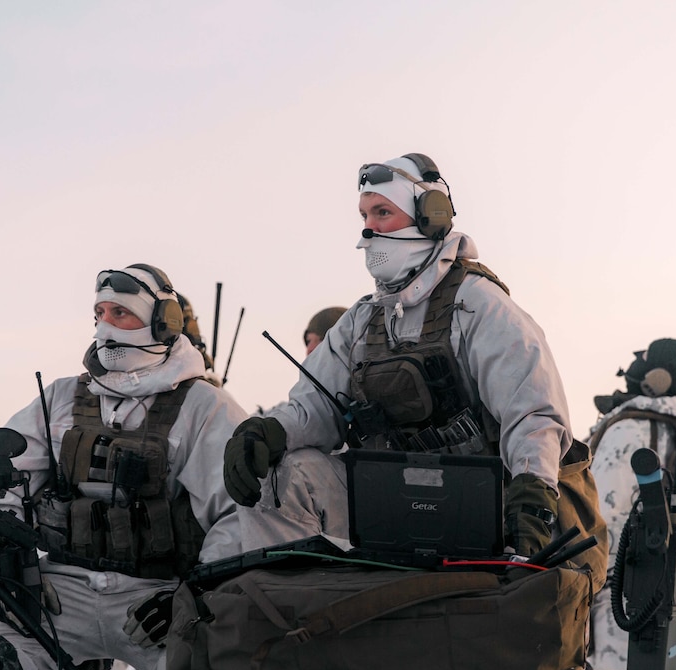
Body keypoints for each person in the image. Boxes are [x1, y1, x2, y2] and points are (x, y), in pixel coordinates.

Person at [0, 264, 339, 670]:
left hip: (157, 601)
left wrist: (193, 597)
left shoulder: (205, 406)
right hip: (60, 595)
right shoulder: (59, 396)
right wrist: (7, 558)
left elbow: (238, 515)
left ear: (160, 322)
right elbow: (5, 481)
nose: (106, 326)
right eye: (101, 313)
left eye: (121, 313)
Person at [223, 153, 573, 561]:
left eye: (382, 213)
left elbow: (533, 416)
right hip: (388, 501)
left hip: (484, 509)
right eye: (364, 216)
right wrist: (267, 432)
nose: (368, 230)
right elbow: (314, 407)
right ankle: (303, 609)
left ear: (429, 217)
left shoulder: (478, 305)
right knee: (278, 479)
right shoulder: (362, 321)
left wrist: (531, 504)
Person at [586, 338, 676, 670]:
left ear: (658, 379)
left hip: (614, 589)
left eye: (645, 359)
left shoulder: (630, 431)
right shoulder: (667, 429)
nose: (635, 365)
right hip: (641, 585)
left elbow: (600, 516)